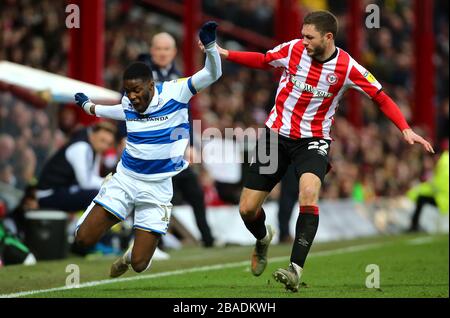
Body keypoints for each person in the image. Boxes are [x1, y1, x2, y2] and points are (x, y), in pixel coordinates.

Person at [209, 11, 434, 292]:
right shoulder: (293, 49)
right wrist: (226, 53)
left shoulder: (348, 67)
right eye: (302, 35)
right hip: (274, 136)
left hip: (313, 141)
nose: (303, 41)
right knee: (247, 209)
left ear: (328, 37)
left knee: (308, 193)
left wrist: (405, 128)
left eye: (309, 37)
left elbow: (380, 96)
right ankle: (264, 237)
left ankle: (294, 269)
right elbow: (265, 60)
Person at [73, 21, 221, 278]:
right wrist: (88, 106)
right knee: (83, 240)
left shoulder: (177, 91)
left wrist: (210, 47)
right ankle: (102, 208)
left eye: (137, 91)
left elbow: (212, 73)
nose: (132, 97)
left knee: (140, 264)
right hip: (126, 180)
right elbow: (111, 110)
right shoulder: (129, 102)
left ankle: (130, 254)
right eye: (128, 92)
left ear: (151, 86)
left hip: (159, 187)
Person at [138, 32, 215, 247]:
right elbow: (124, 103)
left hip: (173, 146)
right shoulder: (140, 74)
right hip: (148, 144)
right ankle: (153, 243)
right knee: (154, 196)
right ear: (152, 50)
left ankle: (208, 239)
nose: (162, 53)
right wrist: (124, 136)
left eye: (166, 49)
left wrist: (187, 143)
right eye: (158, 48)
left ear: (173, 52)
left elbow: (185, 112)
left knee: (194, 191)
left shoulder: (177, 75)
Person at [36, 122, 116, 212]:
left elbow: (93, 176)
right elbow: (85, 183)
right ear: (93, 134)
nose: (104, 146)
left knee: (100, 192)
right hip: (48, 194)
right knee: (94, 195)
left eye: (108, 144)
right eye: (102, 140)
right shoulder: (81, 147)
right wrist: (110, 182)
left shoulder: (94, 149)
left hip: (64, 189)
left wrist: (107, 183)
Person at [407, 149, 449, 232]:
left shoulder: (444, 166)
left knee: (421, 199)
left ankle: (414, 226)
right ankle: (414, 225)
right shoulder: (443, 163)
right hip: (443, 197)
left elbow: (436, 186)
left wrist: (417, 190)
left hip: (444, 199)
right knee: (421, 199)